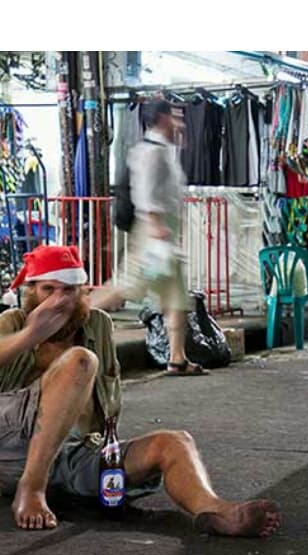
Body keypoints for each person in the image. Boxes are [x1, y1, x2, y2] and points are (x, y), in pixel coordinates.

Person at [0, 244, 281, 537]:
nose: (57, 301)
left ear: (82, 293)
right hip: (4, 452)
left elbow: (104, 407)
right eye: (48, 289)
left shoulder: (97, 325)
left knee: (175, 442)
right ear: (31, 292)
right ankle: (31, 488)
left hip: (71, 455)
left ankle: (216, 511)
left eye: (68, 291)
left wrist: (112, 461)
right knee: (80, 361)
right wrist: (30, 335)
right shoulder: (14, 321)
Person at [91, 99, 205, 376]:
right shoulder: (151, 152)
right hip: (153, 233)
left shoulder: (165, 149)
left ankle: (177, 358)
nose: (180, 121)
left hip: (163, 234)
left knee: (176, 296)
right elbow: (146, 192)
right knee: (128, 286)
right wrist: (156, 227)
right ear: (163, 118)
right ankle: (71, 314)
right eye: (175, 115)